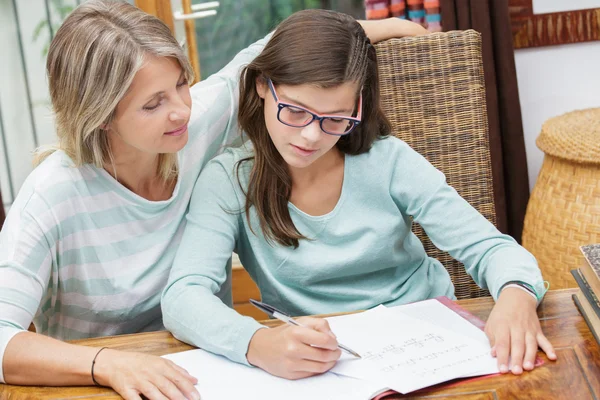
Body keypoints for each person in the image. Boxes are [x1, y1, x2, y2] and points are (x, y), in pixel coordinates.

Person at [0, 1, 426, 398]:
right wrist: (107, 365)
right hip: (103, 385)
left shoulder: (193, 125)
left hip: (213, 367)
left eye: (181, 84)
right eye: (153, 104)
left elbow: (275, 46)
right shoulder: (51, 195)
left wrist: (392, 26)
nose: (181, 110)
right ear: (101, 116)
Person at [162, 8, 557, 383]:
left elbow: (491, 249)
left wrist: (517, 295)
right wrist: (256, 342)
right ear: (264, 87)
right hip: (322, 363)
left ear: (359, 106)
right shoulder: (230, 179)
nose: (311, 136)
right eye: (296, 112)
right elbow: (183, 298)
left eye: (336, 118)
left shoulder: (388, 161)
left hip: (427, 344)